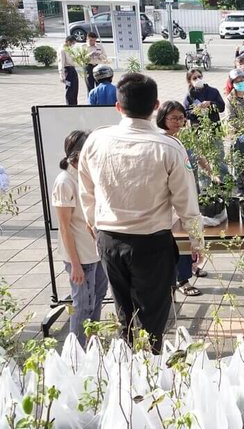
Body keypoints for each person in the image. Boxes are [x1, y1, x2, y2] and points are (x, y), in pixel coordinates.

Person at [78, 73, 203, 353]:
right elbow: (186, 201)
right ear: (156, 106)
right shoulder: (169, 147)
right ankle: (151, 370)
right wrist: (197, 241)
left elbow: (85, 189)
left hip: (109, 239)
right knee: (154, 316)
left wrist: (92, 224)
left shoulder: (96, 140)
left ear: (118, 107)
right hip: (151, 242)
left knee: (125, 314)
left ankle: (130, 367)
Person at [52, 130, 108, 346]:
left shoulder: (88, 176)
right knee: (82, 303)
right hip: (80, 256)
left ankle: (92, 341)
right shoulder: (64, 182)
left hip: (96, 250)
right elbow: (64, 228)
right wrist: (74, 264)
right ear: (77, 156)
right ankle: (77, 350)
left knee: (98, 297)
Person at [156, 102, 207, 297]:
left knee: (185, 239)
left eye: (181, 117)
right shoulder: (161, 142)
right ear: (162, 119)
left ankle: (189, 270)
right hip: (169, 206)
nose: (178, 122)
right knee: (180, 242)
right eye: (173, 118)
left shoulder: (181, 138)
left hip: (185, 196)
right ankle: (182, 280)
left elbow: (198, 158)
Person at [58, 36, 79, 105]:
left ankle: (75, 104)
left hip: (73, 69)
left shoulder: (69, 49)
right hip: (68, 70)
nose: (72, 45)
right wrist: (62, 76)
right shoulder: (62, 50)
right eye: (72, 43)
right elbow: (61, 63)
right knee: (70, 90)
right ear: (68, 42)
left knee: (75, 89)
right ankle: (69, 105)